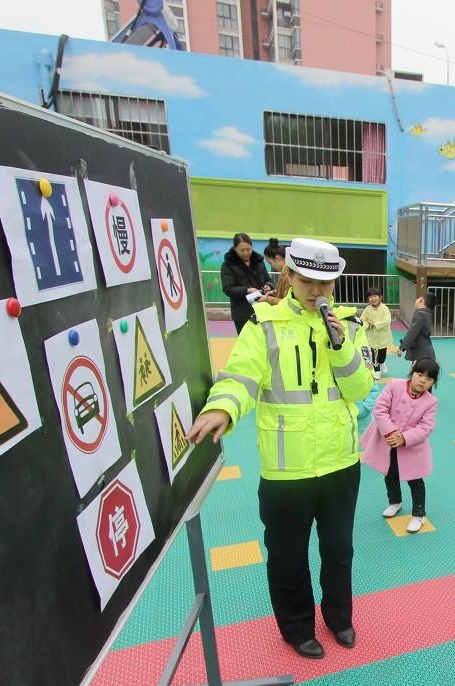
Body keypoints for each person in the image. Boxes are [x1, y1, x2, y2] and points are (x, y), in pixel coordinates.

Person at [188, 238, 373, 659]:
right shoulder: (264, 323)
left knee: (339, 550)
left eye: (325, 283)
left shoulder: (349, 324)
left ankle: (340, 618)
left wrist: (340, 344)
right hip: (286, 469)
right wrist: (222, 407)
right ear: (288, 275)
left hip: (340, 463)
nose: (316, 291)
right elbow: (241, 377)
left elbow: (361, 388)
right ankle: (296, 628)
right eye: (307, 280)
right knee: (288, 558)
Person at [360, 358, 439, 534]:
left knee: (415, 480)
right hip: (387, 441)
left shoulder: (430, 402)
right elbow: (380, 408)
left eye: (429, 379)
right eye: (420, 375)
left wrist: (403, 438)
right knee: (390, 473)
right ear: (412, 372)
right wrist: (390, 432)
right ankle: (395, 501)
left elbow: (425, 427)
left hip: (410, 448)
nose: (423, 381)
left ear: (433, 382)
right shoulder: (395, 385)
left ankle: (419, 514)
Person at [221, 232, 273, 333]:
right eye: (242, 250)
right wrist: (247, 290)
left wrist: (268, 285)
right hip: (242, 313)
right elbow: (228, 288)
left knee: (263, 340)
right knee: (246, 343)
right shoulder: (228, 265)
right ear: (235, 249)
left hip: (261, 309)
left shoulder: (258, 261)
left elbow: (268, 279)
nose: (245, 253)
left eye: (248, 249)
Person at [360, 289, 393, 378]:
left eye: (375, 296)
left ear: (380, 297)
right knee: (374, 354)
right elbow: (363, 319)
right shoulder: (367, 309)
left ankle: (382, 362)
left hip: (383, 336)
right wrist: (366, 324)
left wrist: (375, 323)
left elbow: (387, 321)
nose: (373, 298)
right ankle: (377, 370)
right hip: (372, 336)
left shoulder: (385, 309)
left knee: (382, 355)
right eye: (370, 297)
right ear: (368, 299)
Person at [398, 296, 436, 364]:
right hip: (424, 350)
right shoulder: (427, 313)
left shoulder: (420, 314)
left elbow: (412, 332)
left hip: (421, 350)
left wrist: (402, 347)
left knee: (418, 370)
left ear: (421, 300)